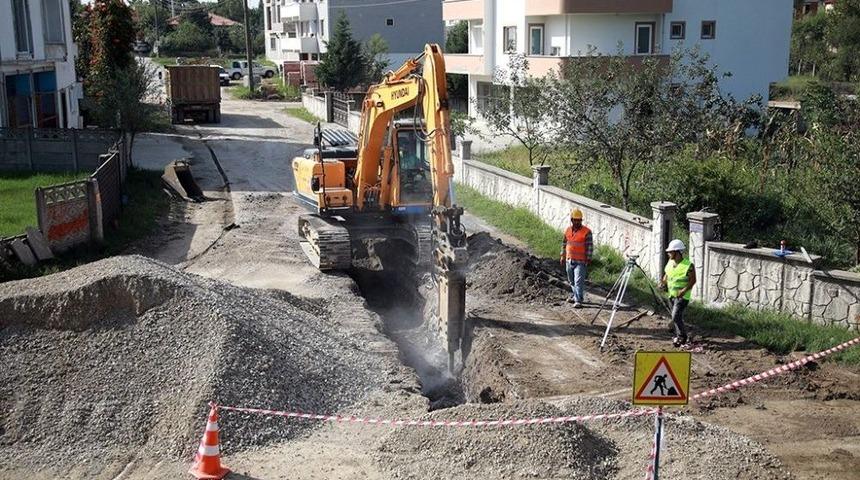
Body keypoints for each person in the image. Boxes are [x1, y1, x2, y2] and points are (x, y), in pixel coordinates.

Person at [660, 239, 696, 347]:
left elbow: (693, 280)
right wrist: (663, 283)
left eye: (670, 252)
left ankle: (682, 337)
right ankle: (677, 335)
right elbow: (667, 275)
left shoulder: (688, 266)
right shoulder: (670, 263)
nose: (668, 253)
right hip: (671, 295)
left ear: (677, 252)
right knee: (676, 316)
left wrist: (684, 290)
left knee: (675, 316)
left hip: (683, 297)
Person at [560, 208, 593, 308]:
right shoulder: (568, 230)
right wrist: (562, 255)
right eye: (575, 220)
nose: (577, 222)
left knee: (578, 281)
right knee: (571, 281)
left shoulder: (587, 232)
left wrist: (588, 258)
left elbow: (589, 246)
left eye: (579, 220)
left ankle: (578, 300)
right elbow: (564, 243)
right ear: (572, 220)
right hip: (569, 260)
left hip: (581, 261)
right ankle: (576, 296)